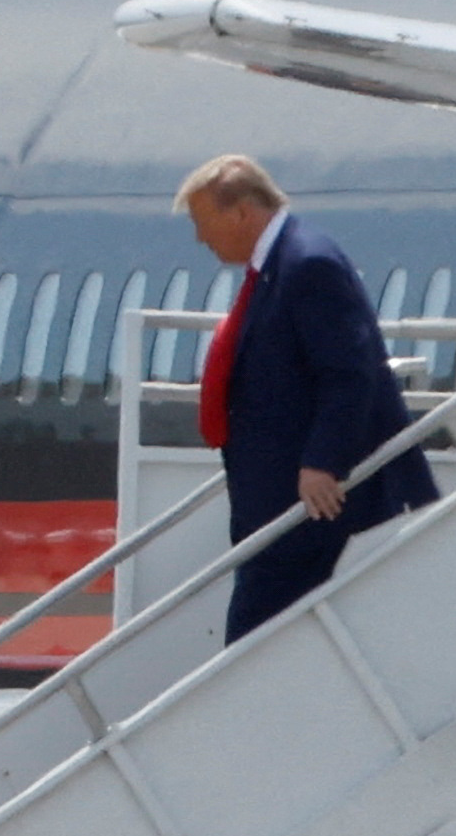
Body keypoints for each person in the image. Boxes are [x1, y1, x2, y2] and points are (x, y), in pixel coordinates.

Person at [175, 155, 438, 642]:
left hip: (312, 510)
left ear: (240, 213)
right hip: (281, 509)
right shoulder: (281, 265)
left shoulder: (307, 264)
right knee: (265, 642)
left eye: (202, 222)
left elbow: (349, 372)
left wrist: (323, 461)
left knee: (253, 650)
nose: (200, 238)